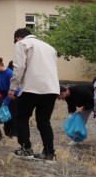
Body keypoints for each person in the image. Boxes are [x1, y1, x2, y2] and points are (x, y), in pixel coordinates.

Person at [8, 28, 59, 161]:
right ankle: (49, 153)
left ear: (18, 38)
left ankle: (26, 149)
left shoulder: (22, 44)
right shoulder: (50, 47)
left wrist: (13, 88)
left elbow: (19, 67)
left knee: (21, 117)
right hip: (52, 88)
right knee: (44, 121)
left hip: (33, 87)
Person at [0, 57, 18, 138]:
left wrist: (6, 101)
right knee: (4, 115)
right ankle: (7, 133)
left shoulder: (10, 73)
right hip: (1, 95)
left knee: (11, 115)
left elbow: (12, 88)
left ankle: (13, 134)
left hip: (11, 96)